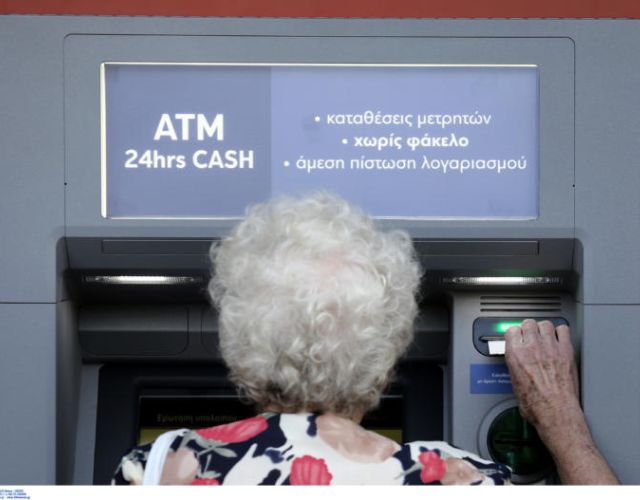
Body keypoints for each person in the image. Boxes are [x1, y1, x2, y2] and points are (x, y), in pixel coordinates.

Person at [112, 192, 617, 485]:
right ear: (386, 352)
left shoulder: (157, 468)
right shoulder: (456, 479)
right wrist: (559, 417)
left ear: (239, 343)